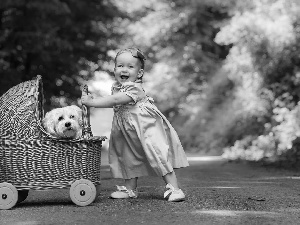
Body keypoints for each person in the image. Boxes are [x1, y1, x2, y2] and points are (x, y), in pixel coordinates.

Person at [81, 47, 189, 202]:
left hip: (144, 127)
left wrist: (92, 102)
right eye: (120, 66)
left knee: (155, 152)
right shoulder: (117, 87)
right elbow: (115, 99)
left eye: (130, 67)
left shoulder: (134, 87)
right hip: (127, 129)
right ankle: (130, 189)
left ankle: (175, 189)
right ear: (115, 69)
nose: (124, 70)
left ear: (139, 73)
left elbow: (116, 100)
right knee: (127, 156)